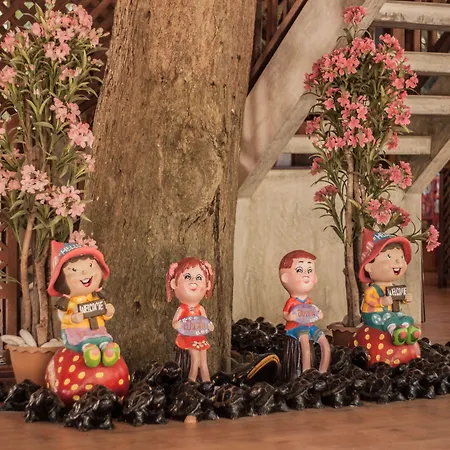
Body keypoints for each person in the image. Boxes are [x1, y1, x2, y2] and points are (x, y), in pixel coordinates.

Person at [47, 241, 120, 368]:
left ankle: (107, 349)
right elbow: (62, 315)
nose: (85, 273)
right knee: (85, 342)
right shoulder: (68, 302)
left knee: (103, 339)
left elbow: (102, 314)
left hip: (98, 329)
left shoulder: (96, 297)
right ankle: (89, 351)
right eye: (74, 270)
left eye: (91, 266)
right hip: (76, 331)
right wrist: (72, 318)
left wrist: (108, 312)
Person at [358, 229, 421, 345]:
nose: (398, 261)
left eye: (401, 257)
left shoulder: (394, 288)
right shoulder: (372, 289)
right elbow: (368, 299)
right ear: (369, 266)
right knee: (390, 319)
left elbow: (398, 298)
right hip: (373, 315)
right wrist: (381, 301)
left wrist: (405, 298)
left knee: (403, 317)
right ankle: (395, 332)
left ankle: (407, 331)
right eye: (389, 256)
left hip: (392, 314)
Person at [279, 250, 330, 373]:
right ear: (286, 277)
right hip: (295, 328)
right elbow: (285, 314)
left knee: (325, 343)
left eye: (310, 270)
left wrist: (318, 315)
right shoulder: (292, 301)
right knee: (305, 345)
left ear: (315, 277)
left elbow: (312, 312)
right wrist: (289, 317)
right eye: (299, 270)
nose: (306, 275)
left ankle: (323, 371)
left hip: (309, 325)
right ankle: (306, 373)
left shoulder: (308, 301)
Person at [166, 257, 214, 382]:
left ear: (207, 285)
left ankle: (207, 383)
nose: (193, 282)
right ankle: (191, 383)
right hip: (188, 338)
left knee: (203, 362)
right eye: (187, 277)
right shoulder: (182, 309)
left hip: (200, 337)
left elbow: (206, 321)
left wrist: (209, 326)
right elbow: (174, 323)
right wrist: (178, 324)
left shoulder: (200, 309)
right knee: (195, 361)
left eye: (199, 278)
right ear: (174, 284)